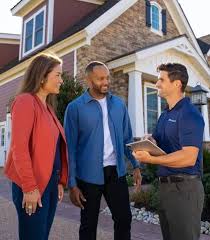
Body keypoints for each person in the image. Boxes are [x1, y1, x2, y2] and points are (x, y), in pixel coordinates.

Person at [64, 61, 142, 240]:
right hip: (88, 175)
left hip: (116, 171)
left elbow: (127, 138)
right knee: (88, 224)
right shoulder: (75, 108)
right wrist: (72, 184)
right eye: (100, 78)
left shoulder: (119, 105)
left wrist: (135, 165)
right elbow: (70, 148)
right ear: (89, 80)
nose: (106, 81)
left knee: (124, 219)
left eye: (107, 77)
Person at [133, 63, 205, 240]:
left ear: (177, 84)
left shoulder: (189, 114)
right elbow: (161, 145)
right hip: (166, 189)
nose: (157, 84)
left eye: (161, 79)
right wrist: (150, 142)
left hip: (185, 189)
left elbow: (188, 157)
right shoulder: (165, 114)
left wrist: (152, 160)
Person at [4, 53, 69, 240]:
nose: (61, 80)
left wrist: (59, 181)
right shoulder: (25, 101)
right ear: (42, 76)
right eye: (58, 75)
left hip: (49, 182)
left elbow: (53, 149)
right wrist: (30, 187)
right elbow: (19, 148)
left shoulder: (48, 108)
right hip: (32, 184)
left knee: (42, 235)